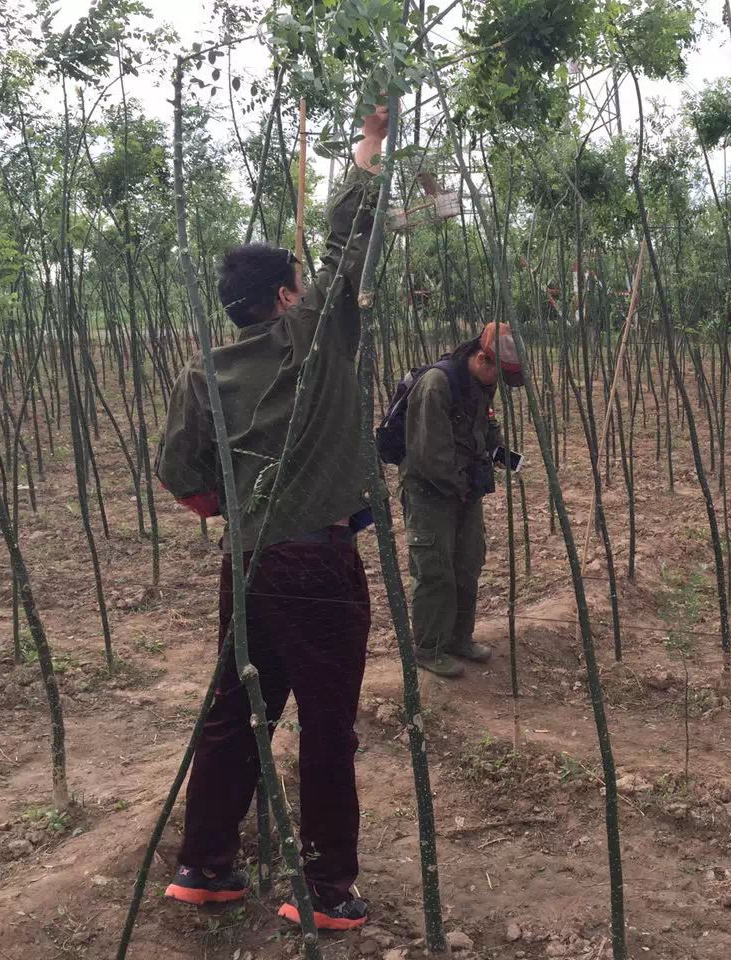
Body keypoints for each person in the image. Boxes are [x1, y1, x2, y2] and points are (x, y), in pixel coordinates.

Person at [153, 102, 394, 932]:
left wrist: (230, 512)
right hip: (320, 567)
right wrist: (370, 145)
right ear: (290, 297)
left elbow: (176, 472)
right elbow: (350, 241)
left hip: (247, 563)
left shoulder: (204, 372)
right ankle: (325, 890)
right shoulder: (316, 338)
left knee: (235, 706)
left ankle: (205, 866)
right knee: (328, 725)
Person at [400, 323, 524, 678]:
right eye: (497, 374)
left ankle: (458, 638)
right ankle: (428, 647)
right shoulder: (437, 383)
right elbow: (428, 454)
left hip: (464, 489)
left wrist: (497, 453)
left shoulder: (482, 386)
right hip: (431, 491)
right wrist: (462, 482)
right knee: (435, 568)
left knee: (468, 563)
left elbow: (485, 429)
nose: (497, 384)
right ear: (482, 358)